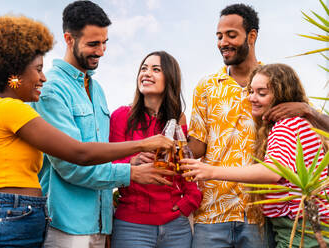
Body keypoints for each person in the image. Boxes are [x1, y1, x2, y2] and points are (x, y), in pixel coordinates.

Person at [0, 15, 174, 248]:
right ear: (15, 74)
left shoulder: (5, 110)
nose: (43, 78)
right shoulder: (15, 109)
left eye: (105, 43)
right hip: (18, 223)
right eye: (38, 70)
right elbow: (78, 153)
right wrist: (144, 145)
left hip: (23, 219)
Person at [30, 1, 175, 247]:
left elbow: (101, 154)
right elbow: (71, 165)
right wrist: (132, 173)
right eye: (93, 44)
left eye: (105, 42)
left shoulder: (96, 89)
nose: (101, 51)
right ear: (69, 39)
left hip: (99, 224)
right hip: (65, 225)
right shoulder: (51, 88)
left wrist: (131, 162)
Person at [186, 3, 329, 248]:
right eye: (219, 36)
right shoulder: (206, 86)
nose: (223, 42)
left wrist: (307, 110)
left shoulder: (275, 82)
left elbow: (315, 135)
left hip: (259, 215)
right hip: (213, 211)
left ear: (251, 36)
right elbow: (197, 146)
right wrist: (166, 138)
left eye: (231, 35)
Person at [109, 51, 202, 248]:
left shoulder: (179, 120)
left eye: (156, 69)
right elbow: (108, 165)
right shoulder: (121, 116)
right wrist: (133, 161)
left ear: (170, 78)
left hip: (176, 227)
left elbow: (186, 166)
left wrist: (189, 202)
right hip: (131, 226)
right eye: (144, 68)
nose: (147, 73)